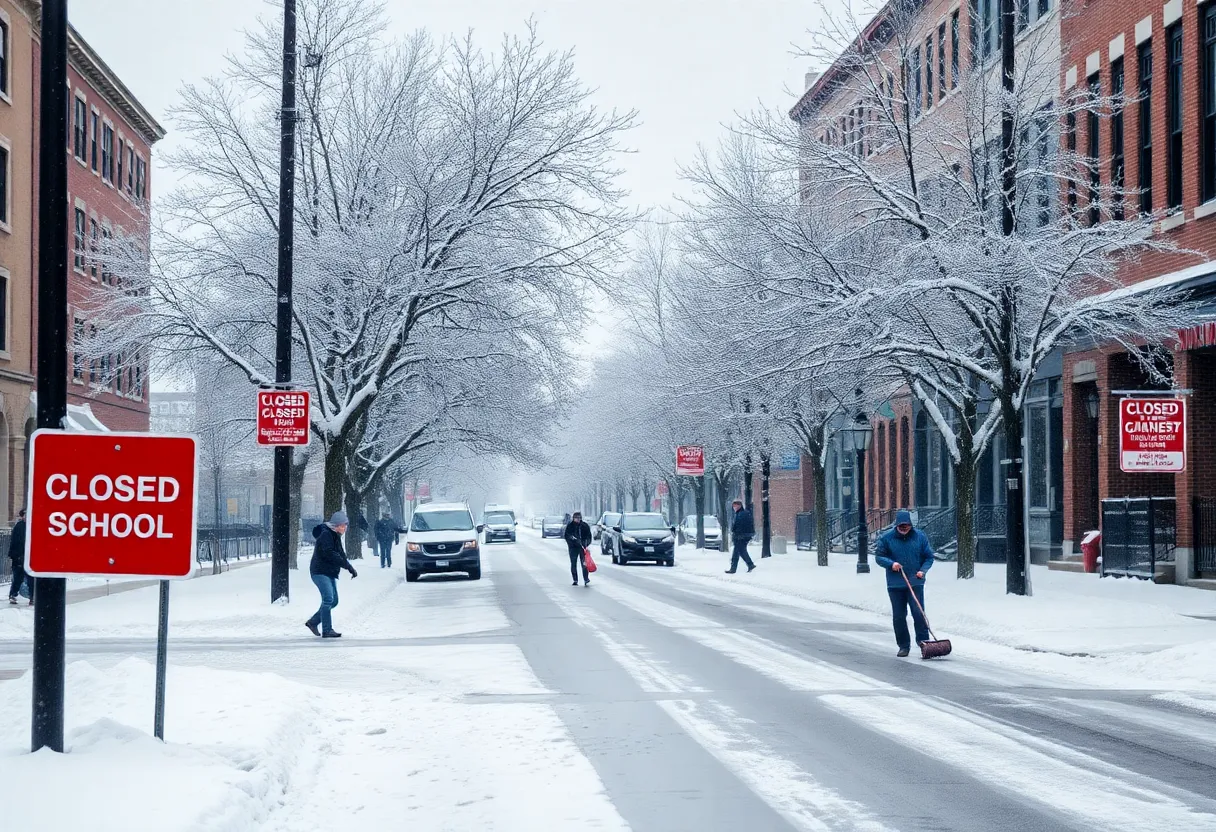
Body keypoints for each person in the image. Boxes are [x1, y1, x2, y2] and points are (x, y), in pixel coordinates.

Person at [874, 509, 935, 657]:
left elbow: (929, 557)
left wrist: (923, 571)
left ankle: (924, 643)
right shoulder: (887, 538)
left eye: (906, 526)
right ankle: (903, 646)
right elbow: (879, 556)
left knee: (918, 613)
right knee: (899, 616)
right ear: (896, 526)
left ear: (910, 525)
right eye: (901, 526)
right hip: (895, 584)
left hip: (915, 582)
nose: (904, 529)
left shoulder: (920, 537)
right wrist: (891, 564)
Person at [306, 511, 358, 638]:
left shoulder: (335, 535)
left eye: (345, 525)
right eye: (342, 525)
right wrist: (343, 564)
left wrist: (350, 568)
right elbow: (330, 553)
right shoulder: (326, 535)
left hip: (328, 571)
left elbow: (340, 553)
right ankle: (327, 630)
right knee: (328, 599)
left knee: (334, 601)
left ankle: (313, 622)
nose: (345, 528)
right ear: (336, 525)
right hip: (319, 571)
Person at [726, 499, 756, 574]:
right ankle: (749, 565)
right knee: (740, 551)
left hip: (742, 536)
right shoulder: (740, 513)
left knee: (739, 551)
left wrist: (738, 534)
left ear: (739, 505)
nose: (734, 508)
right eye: (733, 506)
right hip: (742, 536)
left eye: (735, 506)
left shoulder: (742, 514)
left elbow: (742, 525)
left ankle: (748, 565)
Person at [564, 511, 593, 586]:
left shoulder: (584, 526)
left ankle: (586, 579)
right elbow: (567, 536)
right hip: (573, 548)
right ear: (573, 518)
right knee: (573, 563)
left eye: (579, 518)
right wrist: (572, 542)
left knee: (584, 564)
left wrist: (586, 543)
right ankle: (575, 579)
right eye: (576, 518)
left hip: (582, 548)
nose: (578, 519)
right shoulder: (570, 526)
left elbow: (589, 536)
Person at [7, 509, 27, 606]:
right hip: (19, 556)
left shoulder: (33, 526)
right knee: (18, 577)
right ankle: (13, 594)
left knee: (31, 578)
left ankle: (32, 597)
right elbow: (14, 543)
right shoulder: (19, 527)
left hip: (28, 557)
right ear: (22, 516)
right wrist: (15, 556)